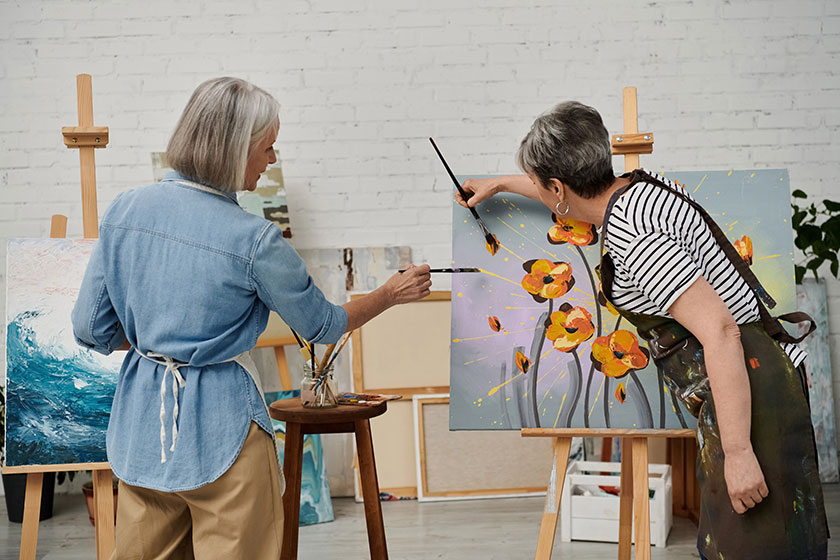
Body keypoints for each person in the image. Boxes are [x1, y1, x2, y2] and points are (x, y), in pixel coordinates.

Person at [71, 77, 431, 559]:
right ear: (234, 149)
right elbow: (321, 326)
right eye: (268, 147)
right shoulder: (253, 239)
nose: (272, 160)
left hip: (141, 431)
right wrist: (389, 293)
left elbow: (90, 330)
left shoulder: (124, 211)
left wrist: (158, 343)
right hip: (225, 433)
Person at [457, 101, 827, 560]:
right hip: (750, 376)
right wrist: (500, 184)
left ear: (557, 185)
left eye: (539, 183)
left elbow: (721, 333)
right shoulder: (641, 189)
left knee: (757, 548)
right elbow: (569, 196)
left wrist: (738, 452)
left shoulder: (636, 239)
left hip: (748, 385)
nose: (539, 189)